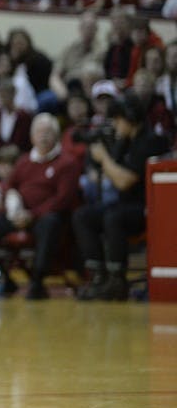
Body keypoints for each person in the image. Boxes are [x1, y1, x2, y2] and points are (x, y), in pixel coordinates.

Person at [0, 113, 81, 300]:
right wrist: (8, 203)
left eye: (48, 132)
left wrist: (32, 215)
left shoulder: (67, 163)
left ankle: (37, 281)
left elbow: (63, 199)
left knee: (50, 222)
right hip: (16, 215)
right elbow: (9, 186)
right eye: (39, 132)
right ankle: (1, 277)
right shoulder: (24, 161)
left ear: (57, 135)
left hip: (45, 217)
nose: (43, 136)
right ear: (32, 136)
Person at [73, 92, 169, 301]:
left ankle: (117, 281)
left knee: (114, 217)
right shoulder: (124, 141)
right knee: (83, 215)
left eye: (117, 119)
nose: (115, 124)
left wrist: (104, 157)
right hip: (125, 204)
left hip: (149, 208)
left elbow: (124, 180)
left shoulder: (151, 141)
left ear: (130, 118)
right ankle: (99, 277)